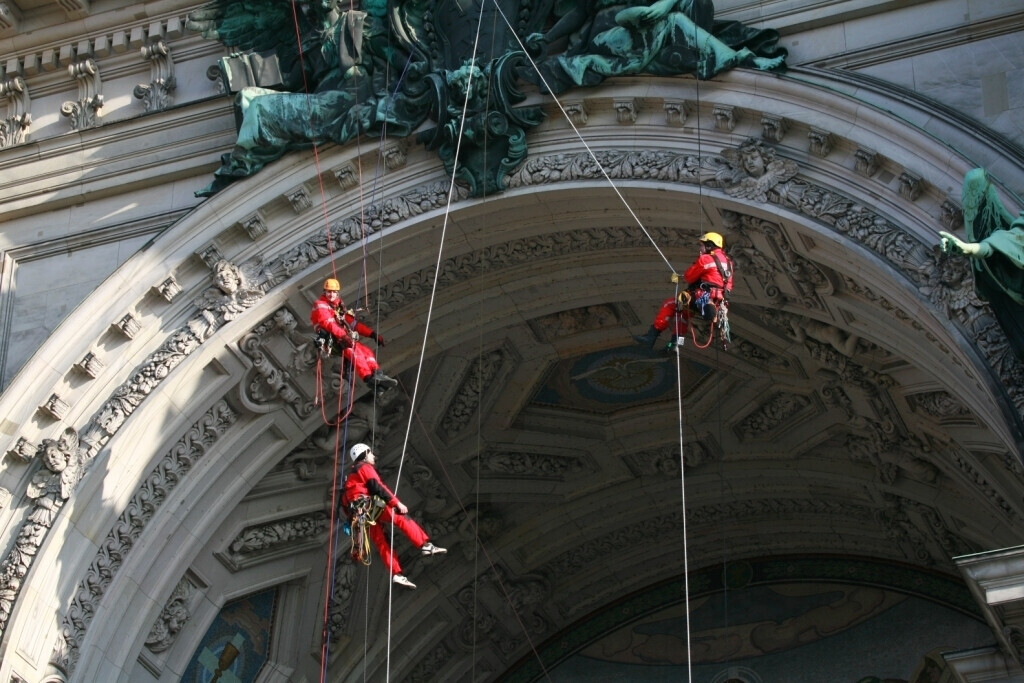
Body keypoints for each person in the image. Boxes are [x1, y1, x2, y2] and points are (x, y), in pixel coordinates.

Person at [341, 443, 446, 589]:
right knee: (402, 518)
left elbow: (345, 503)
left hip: (359, 516)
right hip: (368, 506)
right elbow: (377, 486)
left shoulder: (350, 478)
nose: (374, 456)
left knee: (383, 542)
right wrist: (396, 503)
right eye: (371, 453)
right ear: (364, 455)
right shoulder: (364, 468)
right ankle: (425, 545)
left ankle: (397, 574)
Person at [634, 232, 734, 348]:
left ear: (709, 246)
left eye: (701, 245)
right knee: (682, 312)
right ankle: (676, 344)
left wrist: (687, 274)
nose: (700, 249)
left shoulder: (706, 259)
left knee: (670, 304)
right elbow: (718, 280)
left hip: (703, 298)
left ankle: (651, 337)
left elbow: (689, 276)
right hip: (719, 302)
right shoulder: (729, 262)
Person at [310, 278, 397, 390]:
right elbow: (328, 323)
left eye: (334, 292)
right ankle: (369, 378)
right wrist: (343, 336)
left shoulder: (338, 308)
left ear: (337, 293)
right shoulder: (320, 305)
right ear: (324, 292)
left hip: (342, 338)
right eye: (329, 291)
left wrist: (372, 334)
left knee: (367, 352)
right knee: (355, 353)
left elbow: (353, 324)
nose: (331, 294)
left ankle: (378, 373)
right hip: (332, 338)